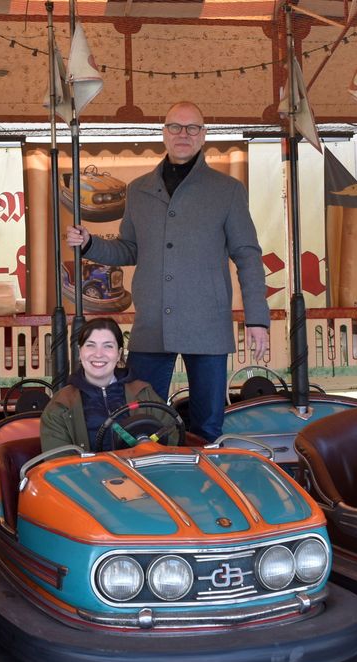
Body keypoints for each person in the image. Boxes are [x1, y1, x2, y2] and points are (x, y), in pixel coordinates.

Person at [66, 101, 270, 442]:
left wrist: (257, 318)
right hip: (152, 324)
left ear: (203, 135)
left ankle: (204, 476)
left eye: (192, 128)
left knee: (207, 426)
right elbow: (130, 249)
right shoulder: (139, 189)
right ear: (164, 133)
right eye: (175, 126)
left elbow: (247, 255)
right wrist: (90, 244)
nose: (183, 134)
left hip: (207, 324)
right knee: (142, 421)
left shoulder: (227, 190)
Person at [41, 318, 172, 453]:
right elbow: (58, 459)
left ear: (118, 354)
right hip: (86, 467)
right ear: (80, 352)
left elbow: (172, 433)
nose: (98, 354)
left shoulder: (143, 393)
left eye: (108, 346)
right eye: (90, 345)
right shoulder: (61, 404)